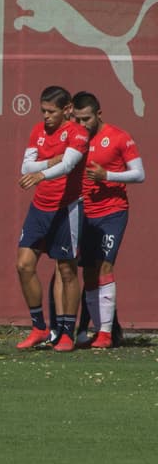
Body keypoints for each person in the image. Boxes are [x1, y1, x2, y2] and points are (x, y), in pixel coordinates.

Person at [15, 85, 90, 352]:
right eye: (43, 111)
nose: (46, 116)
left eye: (51, 111)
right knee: (24, 265)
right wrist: (49, 163)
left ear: (67, 109)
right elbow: (26, 167)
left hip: (67, 208)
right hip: (40, 207)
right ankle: (39, 327)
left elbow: (68, 165)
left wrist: (42, 172)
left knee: (67, 270)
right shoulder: (38, 131)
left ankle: (67, 332)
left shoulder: (78, 133)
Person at [70, 91, 143, 348]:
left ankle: (105, 334)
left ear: (99, 114)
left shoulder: (118, 137)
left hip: (113, 211)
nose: (82, 125)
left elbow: (139, 174)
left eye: (86, 119)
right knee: (88, 274)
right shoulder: (74, 139)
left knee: (104, 267)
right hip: (84, 213)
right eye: (77, 119)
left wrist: (108, 176)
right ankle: (86, 331)